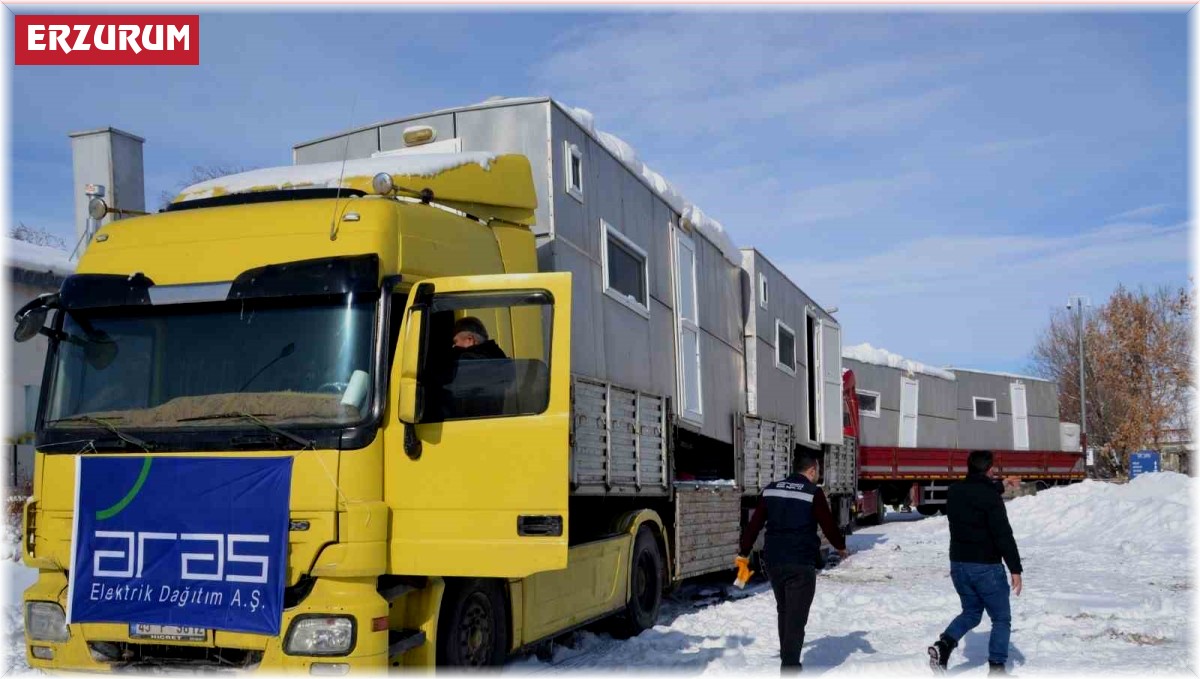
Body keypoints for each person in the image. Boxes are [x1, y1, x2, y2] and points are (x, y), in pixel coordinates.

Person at [736, 454, 849, 673]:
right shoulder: (812, 493)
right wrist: (841, 547)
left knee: (785, 610)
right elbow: (828, 525)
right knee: (796, 617)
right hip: (800, 563)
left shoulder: (771, 489)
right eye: (817, 471)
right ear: (812, 471)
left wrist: (743, 552)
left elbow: (754, 525)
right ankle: (790, 668)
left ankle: (787, 655)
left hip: (774, 562)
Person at [928, 450, 1023, 676]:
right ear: (989, 469)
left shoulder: (955, 491)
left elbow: (978, 491)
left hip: (959, 565)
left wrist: (1002, 484)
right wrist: (1015, 568)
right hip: (986, 567)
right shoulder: (990, 496)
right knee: (1001, 619)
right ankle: (997, 669)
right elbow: (1003, 534)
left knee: (971, 613)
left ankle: (943, 646)